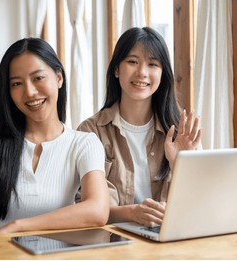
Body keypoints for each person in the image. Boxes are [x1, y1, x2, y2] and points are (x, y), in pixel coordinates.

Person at [0, 37, 109, 237]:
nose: (29, 92)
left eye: (38, 78)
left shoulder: (83, 144)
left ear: (59, 78)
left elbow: (97, 211)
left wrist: (19, 227)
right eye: (17, 83)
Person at [78, 27, 202, 227]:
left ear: (163, 75)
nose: (142, 73)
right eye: (133, 62)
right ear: (117, 69)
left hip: (170, 241)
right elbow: (86, 207)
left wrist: (180, 163)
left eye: (152, 64)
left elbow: (200, 205)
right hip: (114, 246)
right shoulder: (91, 132)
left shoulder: (182, 131)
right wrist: (132, 213)